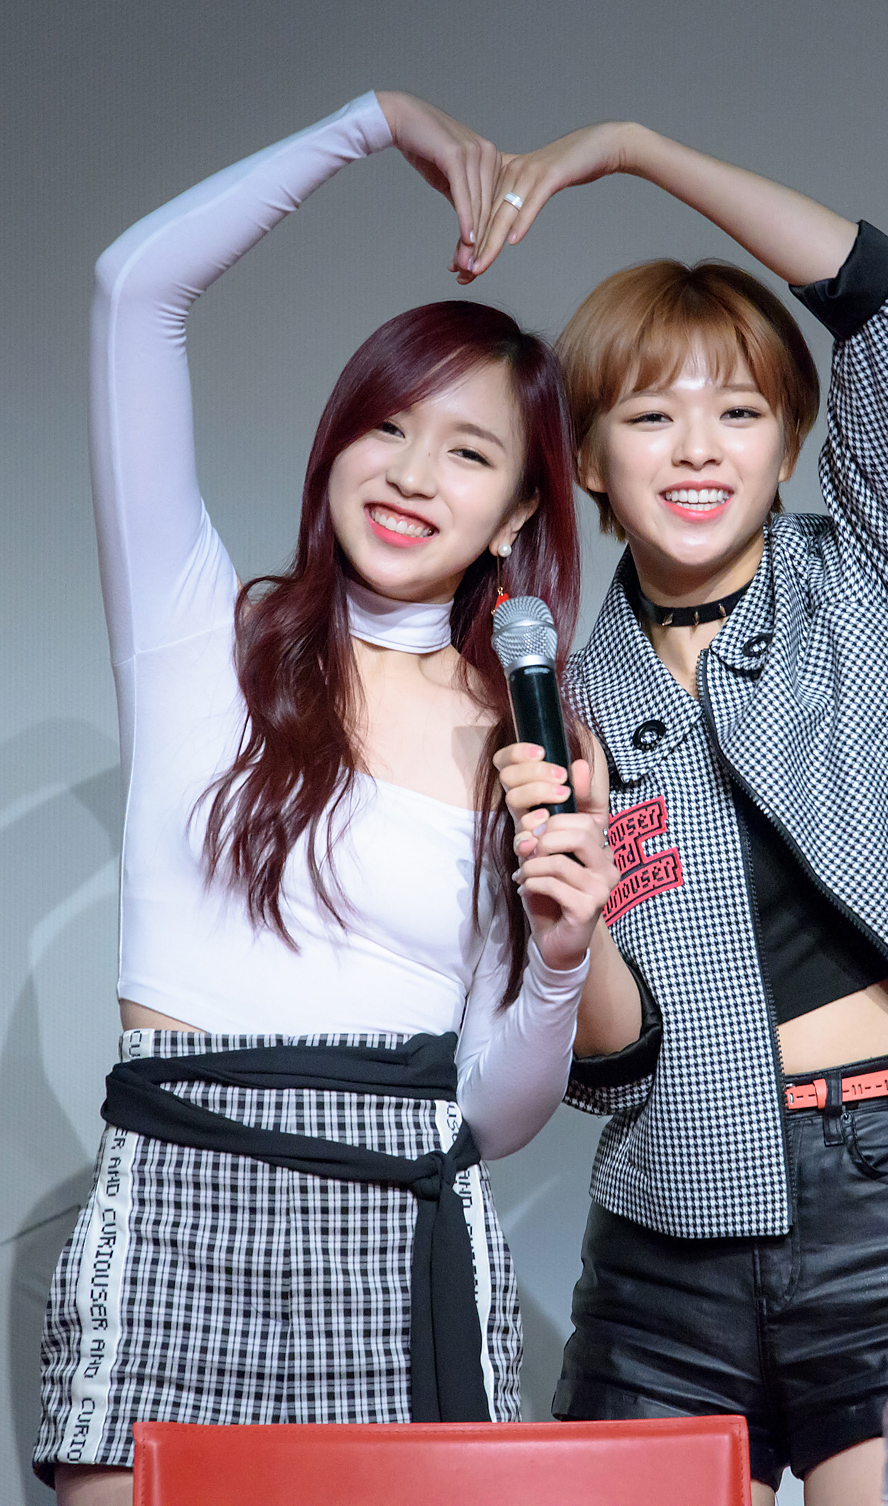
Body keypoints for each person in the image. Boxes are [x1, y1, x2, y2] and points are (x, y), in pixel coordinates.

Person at [35, 90, 618, 1505]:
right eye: (387, 428)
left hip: (401, 1236)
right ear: (336, 443)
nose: (413, 476)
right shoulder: (202, 638)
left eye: (469, 452)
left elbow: (493, 1115)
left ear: (518, 512)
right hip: (176, 1199)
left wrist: (559, 960)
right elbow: (132, 291)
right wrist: (369, 125)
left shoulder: (525, 740)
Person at [484, 121, 888, 1505]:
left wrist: (630, 149)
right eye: (648, 416)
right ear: (588, 461)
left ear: (791, 444)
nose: (697, 449)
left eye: (738, 413)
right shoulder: (562, 706)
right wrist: (570, 903)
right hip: (663, 1231)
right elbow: (609, 1061)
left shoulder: (873, 582)